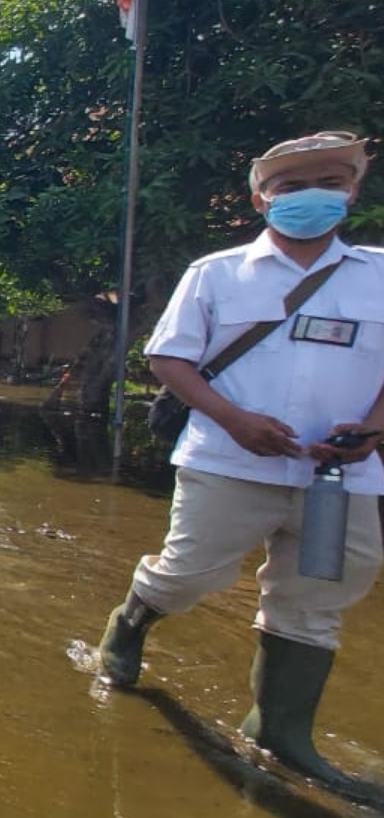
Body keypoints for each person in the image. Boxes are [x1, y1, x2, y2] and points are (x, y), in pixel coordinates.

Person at [96, 131, 384, 790]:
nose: (309, 196)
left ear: (352, 192)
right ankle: (131, 621)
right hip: (228, 461)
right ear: (260, 199)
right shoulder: (217, 273)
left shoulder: (376, 275)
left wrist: (373, 427)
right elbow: (168, 357)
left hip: (341, 476)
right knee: (187, 574)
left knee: (315, 600)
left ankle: (280, 731)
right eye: (290, 186)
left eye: (329, 183)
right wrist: (234, 419)